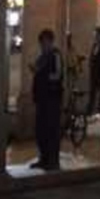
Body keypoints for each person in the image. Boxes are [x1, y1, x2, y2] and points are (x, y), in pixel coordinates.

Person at [30, 28, 64, 171]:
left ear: (50, 41)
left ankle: (53, 161)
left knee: (52, 130)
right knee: (41, 131)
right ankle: (43, 159)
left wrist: (42, 75)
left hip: (52, 99)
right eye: (41, 43)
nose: (43, 45)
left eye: (45, 42)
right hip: (41, 99)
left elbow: (57, 75)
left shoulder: (55, 55)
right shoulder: (42, 56)